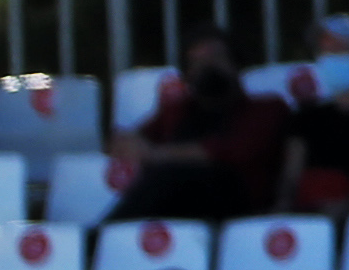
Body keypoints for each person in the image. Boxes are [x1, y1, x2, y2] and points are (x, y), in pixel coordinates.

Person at [105, 32, 282, 224]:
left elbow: (232, 151)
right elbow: (134, 138)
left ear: (236, 64)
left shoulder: (267, 108)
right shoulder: (176, 111)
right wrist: (128, 144)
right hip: (173, 201)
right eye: (197, 62)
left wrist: (156, 153)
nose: (206, 66)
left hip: (235, 200)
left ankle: (97, 241)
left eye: (215, 57)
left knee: (168, 176)